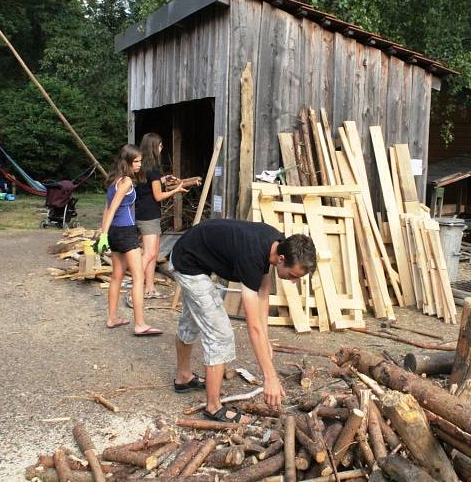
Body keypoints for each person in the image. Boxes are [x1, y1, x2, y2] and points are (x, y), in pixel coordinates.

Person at [169, 219, 316, 421]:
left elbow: (263, 292)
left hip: (195, 255)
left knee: (193, 319)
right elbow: (252, 324)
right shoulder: (252, 255)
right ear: (281, 258)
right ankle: (213, 407)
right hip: (187, 263)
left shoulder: (276, 242)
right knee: (220, 333)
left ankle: (184, 377)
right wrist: (270, 376)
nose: (292, 281)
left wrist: (265, 339)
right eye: (292, 275)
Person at [97, 144, 163, 336]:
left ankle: (112, 318)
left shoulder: (113, 181)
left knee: (117, 274)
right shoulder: (125, 182)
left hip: (116, 233)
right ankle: (140, 324)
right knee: (138, 277)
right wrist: (102, 235)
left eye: (140, 161)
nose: (139, 165)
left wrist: (105, 234)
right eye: (136, 161)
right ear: (127, 162)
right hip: (125, 232)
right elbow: (113, 208)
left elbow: (106, 209)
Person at [132, 133, 188, 302]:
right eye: (161, 145)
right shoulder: (154, 169)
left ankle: (149, 288)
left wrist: (164, 179)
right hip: (149, 215)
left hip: (143, 213)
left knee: (153, 252)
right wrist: (176, 190)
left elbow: (148, 186)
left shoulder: (142, 166)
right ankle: (134, 288)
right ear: (154, 147)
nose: (162, 148)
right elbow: (158, 196)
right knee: (149, 253)